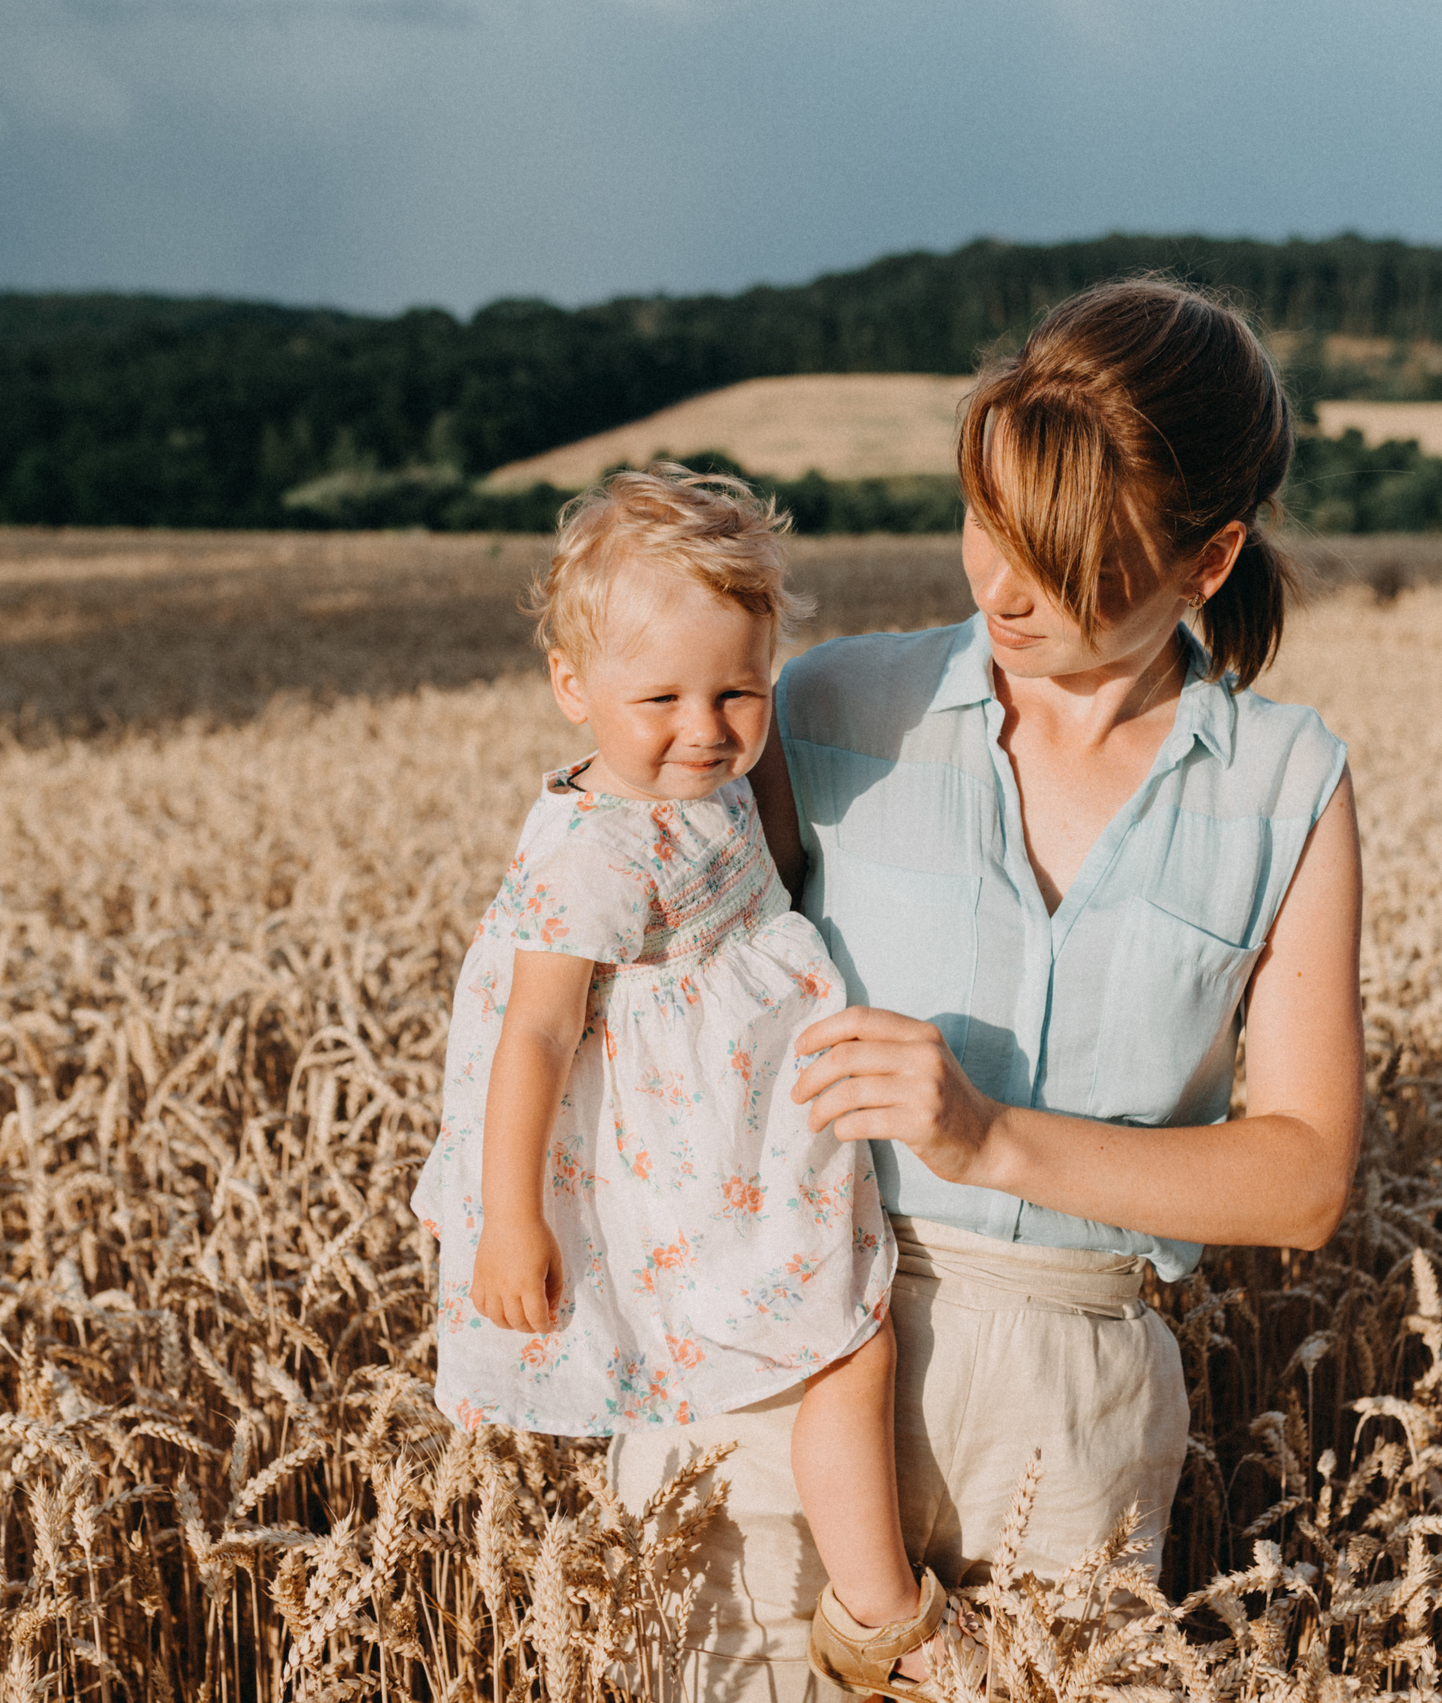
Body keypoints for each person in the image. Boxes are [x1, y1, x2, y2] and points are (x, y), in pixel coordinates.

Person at [607, 277, 1368, 1702]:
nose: (999, 586)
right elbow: (631, 955)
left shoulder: (1288, 785)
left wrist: (992, 1138)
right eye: (987, 522)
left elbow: (1304, 1177)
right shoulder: (828, 710)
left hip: (1070, 1421)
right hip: (781, 1354)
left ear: (1208, 561)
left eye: (1065, 556)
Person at [411, 467, 977, 1703]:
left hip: (744, 1125)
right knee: (847, 1337)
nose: (707, 726)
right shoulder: (597, 854)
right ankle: (882, 1613)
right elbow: (535, 1039)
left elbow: (762, 864)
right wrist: (508, 1220)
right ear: (573, 689)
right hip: (696, 1153)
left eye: (740, 690)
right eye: (659, 696)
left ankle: (862, 1601)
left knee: (841, 1331)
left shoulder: (703, 787)